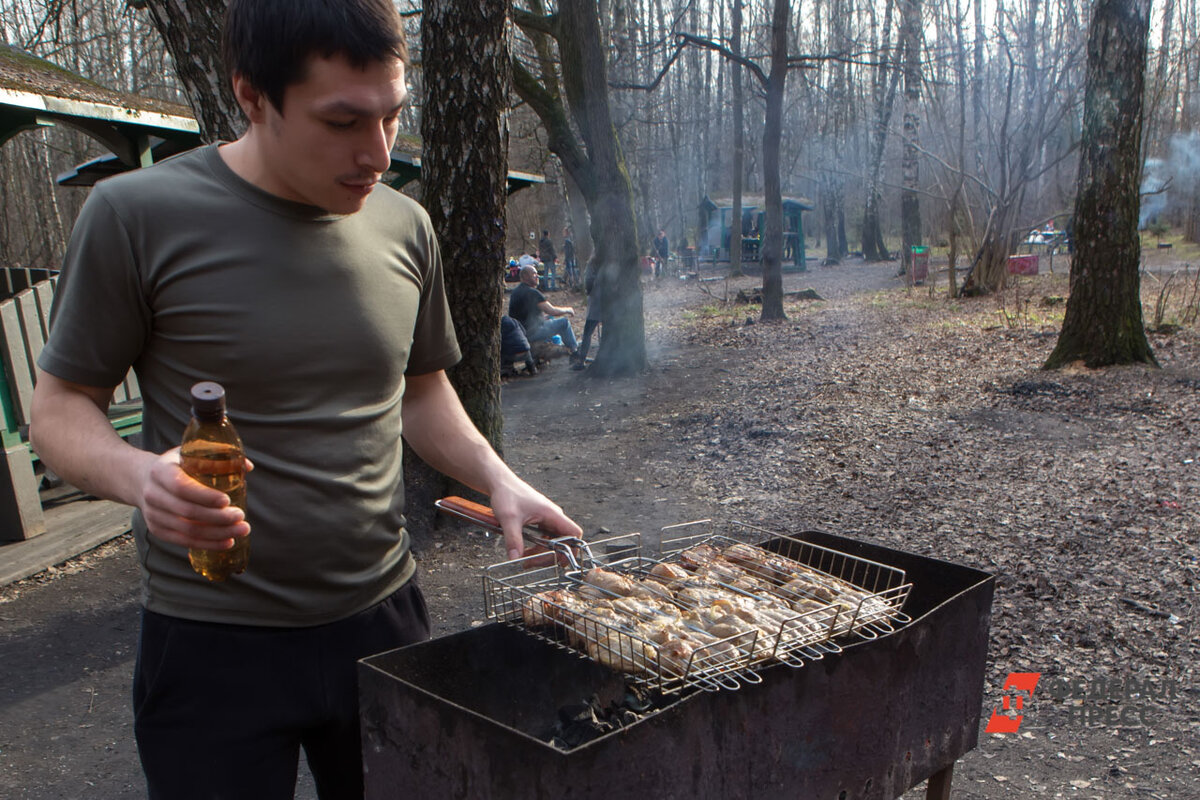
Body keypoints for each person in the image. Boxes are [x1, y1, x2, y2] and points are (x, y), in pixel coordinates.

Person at [27, 1, 582, 798]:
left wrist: (498, 478)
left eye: (392, 116)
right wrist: (139, 477)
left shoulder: (405, 226)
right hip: (211, 641)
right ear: (252, 96)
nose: (378, 152)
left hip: (384, 618)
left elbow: (420, 391)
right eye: (343, 121)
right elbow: (58, 410)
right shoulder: (135, 216)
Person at [507, 264, 579, 355]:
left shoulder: (516, 292)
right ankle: (575, 352)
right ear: (525, 276)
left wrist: (542, 318)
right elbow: (552, 310)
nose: (537, 276)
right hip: (531, 333)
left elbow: (524, 314)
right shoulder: (532, 292)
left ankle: (557, 347)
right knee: (564, 323)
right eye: (534, 274)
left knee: (550, 318)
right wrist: (568, 309)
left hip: (520, 332)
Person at [573, 259, 608, 371]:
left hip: (596, 301)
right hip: (608, 301)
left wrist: (590, 291)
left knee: (587, 332)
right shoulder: (609, 261)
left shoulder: (592, 263)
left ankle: (581, 361)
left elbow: (588, 283)